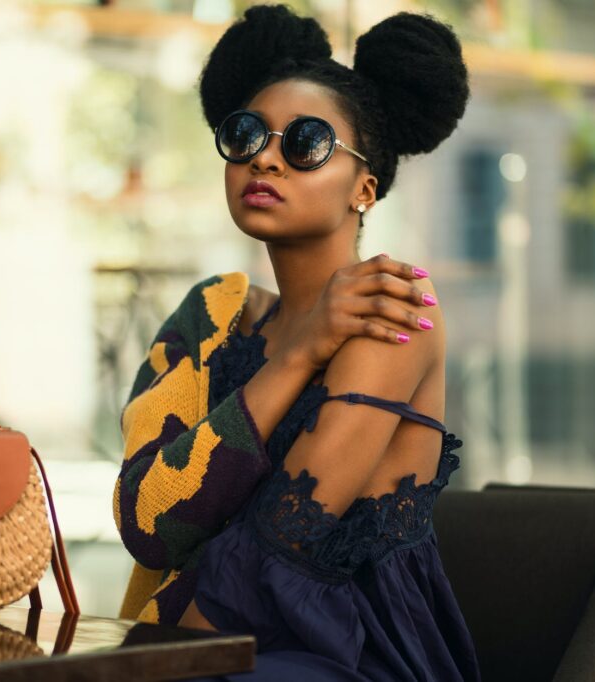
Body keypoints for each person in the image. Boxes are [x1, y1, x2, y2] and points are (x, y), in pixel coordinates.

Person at [113, 4, 479, 679]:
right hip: (218, 641)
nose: (266, 160)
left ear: (364, 188)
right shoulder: (211, 316)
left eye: (304, 142)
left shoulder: (397, 308)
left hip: (351, 652)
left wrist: (150, 666)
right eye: (247, 135)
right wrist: (301, 351)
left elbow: (279, 542)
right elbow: (148, 524)